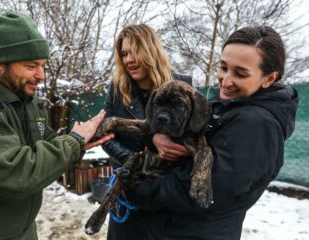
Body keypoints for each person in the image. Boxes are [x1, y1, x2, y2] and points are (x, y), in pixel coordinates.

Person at [0, 11, 113, 240]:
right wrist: (72, 142)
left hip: (24, 230)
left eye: (43, 65)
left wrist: (81, 142)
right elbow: (13, 174)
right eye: (30, 66)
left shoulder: (28, 100)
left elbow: (46, 145)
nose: (41, 75)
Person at [125, 26, 299, 239]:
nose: (225, 80)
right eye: (223, 67)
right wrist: (156, 136)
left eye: (240, 73)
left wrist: (135, 188)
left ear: (269, 78)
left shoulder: (257, 124)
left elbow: (197, 192)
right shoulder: (229, 106)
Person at [102, 24, 192, 240]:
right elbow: (105, 136)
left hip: (166, 195)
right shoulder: (117, 89)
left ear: (151, 50)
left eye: (135, 51)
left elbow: (195, 135)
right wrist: (134, 160)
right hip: (128, 191)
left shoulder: (182, 86)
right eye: (124, 53)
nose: (129, 60)